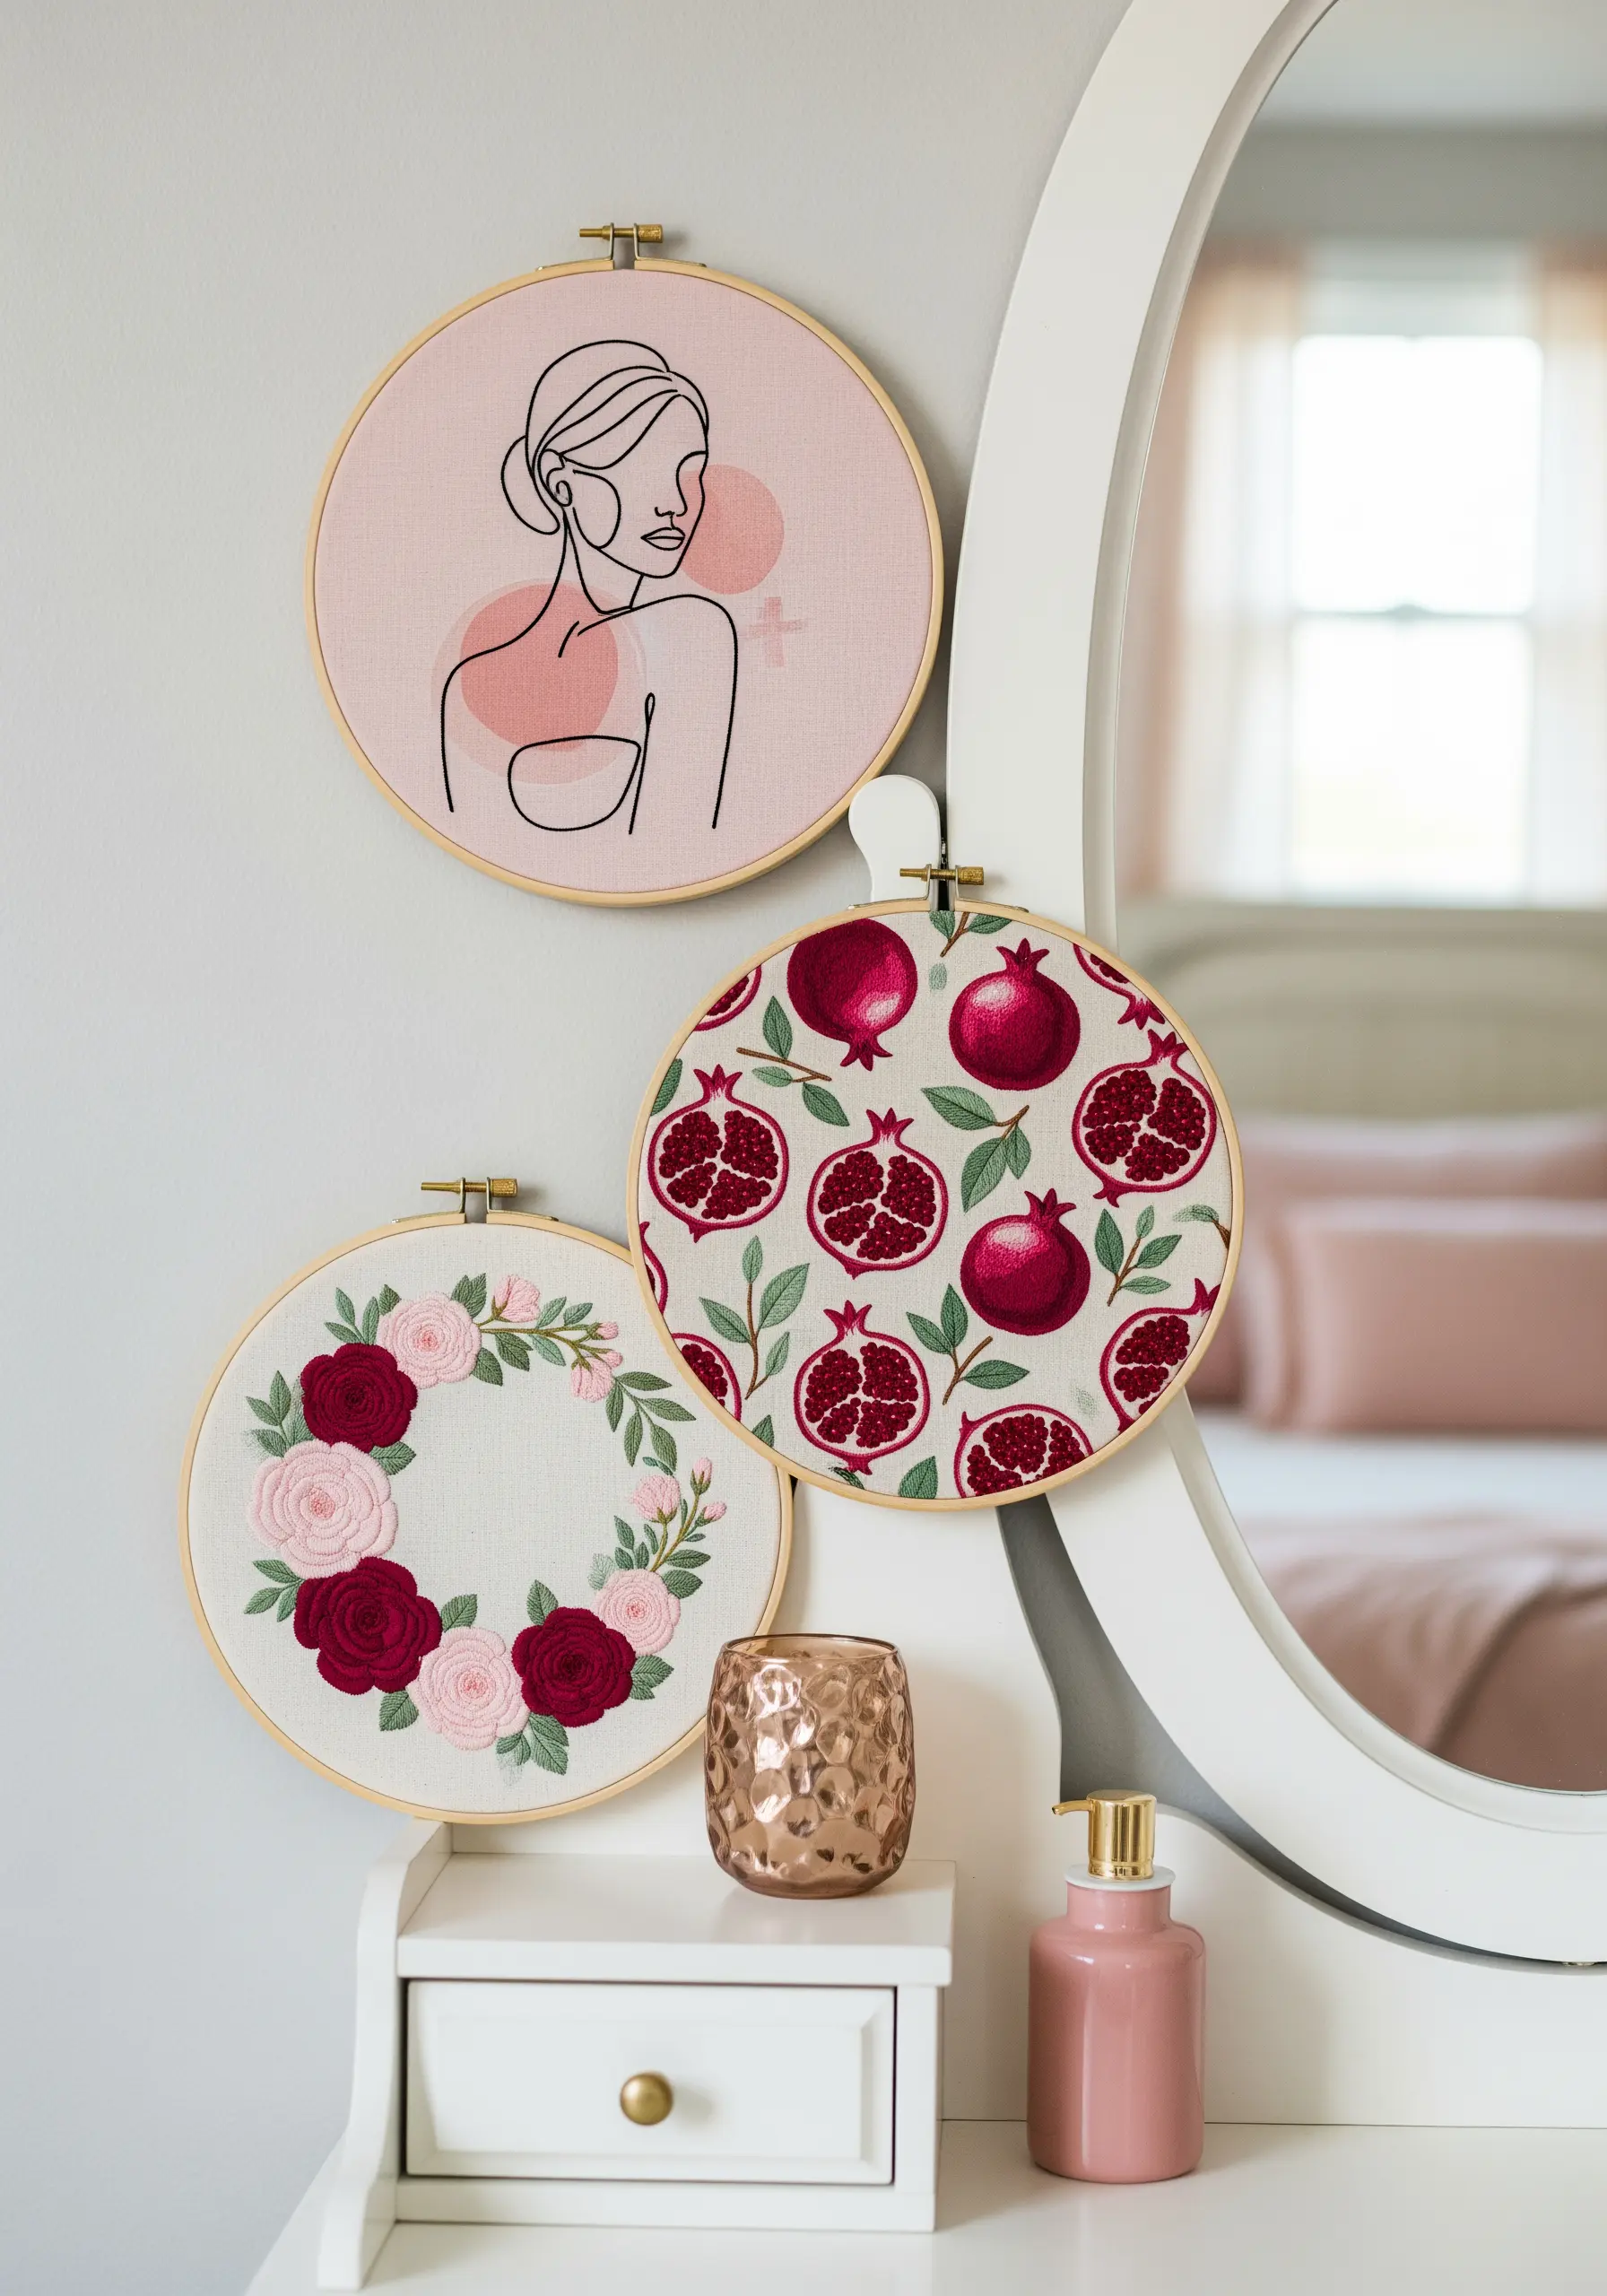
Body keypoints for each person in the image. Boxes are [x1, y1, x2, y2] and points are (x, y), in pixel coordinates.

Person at [440, 339, 737, 839]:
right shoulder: (469, 685)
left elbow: (681, 845)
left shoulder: (694, 634)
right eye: (641, 467)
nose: (676, 503)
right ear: (560, 483)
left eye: (690, 471)